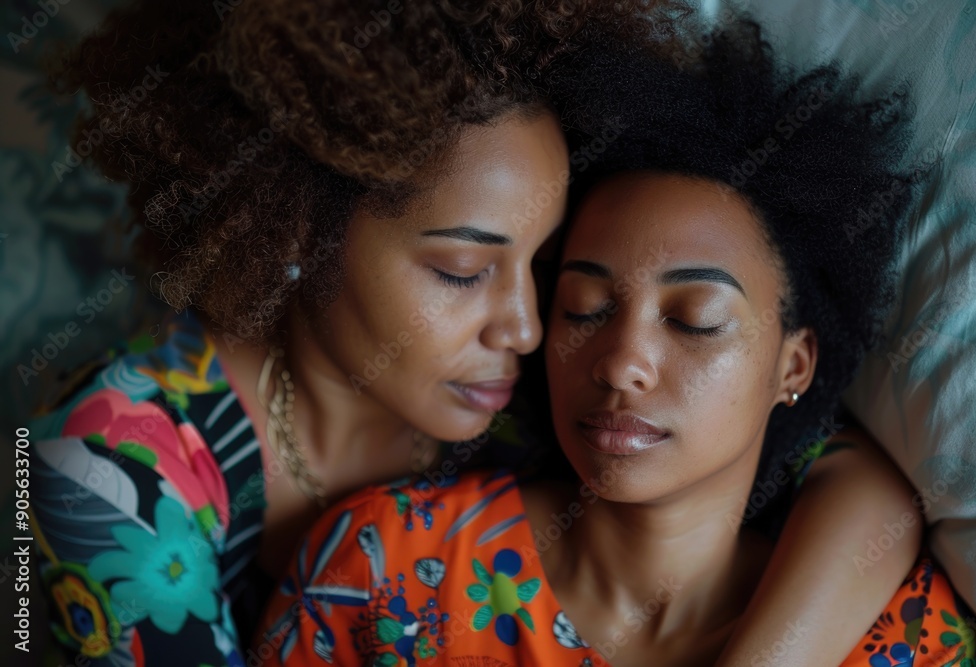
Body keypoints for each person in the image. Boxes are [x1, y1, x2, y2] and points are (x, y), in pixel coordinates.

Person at [32, 2, 927, 665]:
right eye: (463, 270)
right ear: (302, 229)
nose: (532, 328)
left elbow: (854, 480)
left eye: (548, 274)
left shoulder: (543, 387)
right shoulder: (110, 473)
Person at [256, 18, 976, 667]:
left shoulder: (901, 636)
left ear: (793, 363)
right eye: (584, 307)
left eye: (695, 318)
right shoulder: (381, 570)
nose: (622, 362)